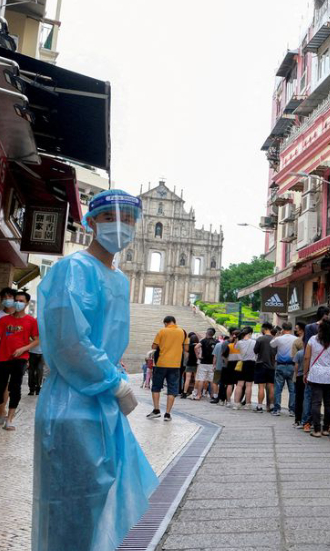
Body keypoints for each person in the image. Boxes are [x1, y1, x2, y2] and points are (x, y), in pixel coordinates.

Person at [34, 189, 157, 551]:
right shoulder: (73, 269)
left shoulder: (119, 278)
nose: (120, 226)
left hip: (103, 406)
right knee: (68, 504)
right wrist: (113, 382)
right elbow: (69, 339)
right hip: (71, 403)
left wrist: (112, 384)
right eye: (109, 218)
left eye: (129, 219)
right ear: (90, 222)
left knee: (100, 500)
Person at [0, 291, 40, 430]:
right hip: (3, 357)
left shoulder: (31, 321)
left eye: (21, 301)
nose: (18, 303)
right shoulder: (4, 320)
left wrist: (24, 349)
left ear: (27, 303)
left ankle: (10, 419)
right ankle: (2, 413)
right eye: (16, 300)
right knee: (1, 386)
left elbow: (37, 340)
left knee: (15, 387)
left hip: (20, 359)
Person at [148, 315, 189, 421]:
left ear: (166, 323)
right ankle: (167, 414)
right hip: (175, 365)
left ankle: (156, 410)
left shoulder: (162, 331)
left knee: (156, 387)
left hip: (161, 363)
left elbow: (154, 347)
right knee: (172, 389)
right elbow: (186, 348)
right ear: (174, 322)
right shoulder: (183, 332)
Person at [304, 317, 330, 437]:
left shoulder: (313, 339)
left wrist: (305, 372)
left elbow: (307, 357)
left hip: (316, 375)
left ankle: (317, 430)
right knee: (329, 403)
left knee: (316, 402)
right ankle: (326, 429)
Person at [271, 321, 297, 416]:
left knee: (278, 388)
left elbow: (271, 344)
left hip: (280, 365)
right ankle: (292, 410)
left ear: (282, 329)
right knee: (292, 389)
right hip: (292, 366)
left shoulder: (279, 339)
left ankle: (277, 409)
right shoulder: (296, 339)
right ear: (291, 328)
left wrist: (278, 335)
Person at [0, 286, 17, 422]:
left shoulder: (19, 317)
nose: (7, 299)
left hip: (13, 356)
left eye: (10, 297)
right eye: (4, 297)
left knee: (6, 385)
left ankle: (2, 410)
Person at [233, 326, 257, 410]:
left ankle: (236, 403)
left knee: (239, 384)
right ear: (250, 333)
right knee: (249, 385)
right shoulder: (254, 342)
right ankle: (248, 404)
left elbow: (235, 349)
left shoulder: (239, 342)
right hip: (251, 364)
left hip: (241, 363)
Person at [254, 322, 276, 412]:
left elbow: (255, 351)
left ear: (264, 329)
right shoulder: (275, 339)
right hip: (272, 366)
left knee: (261, 387)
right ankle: (272, 405)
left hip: (261, 365)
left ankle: (259, 406)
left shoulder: (260, 339)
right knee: (271, 387)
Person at [195, 328, 216, 401]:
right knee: (212, 380)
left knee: (201, 379)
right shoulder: (216, 341)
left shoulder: (203, 341)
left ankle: (199, 395)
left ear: (207, 333)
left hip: (203, 362)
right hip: (212, 363)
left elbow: (196, 347)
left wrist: (198, 356)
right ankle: (212, 395)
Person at [292, 322, 306, 427]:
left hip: (300, 376)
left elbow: (295, 363)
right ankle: (307, 420)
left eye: (297, 328)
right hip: (311, 376)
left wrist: (296, 375)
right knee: (309, 398)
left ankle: (298, 419)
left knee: (299, 398)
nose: (296, 330)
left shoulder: (297, 344)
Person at [224, 329, 241, 405]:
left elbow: (224, 356)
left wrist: (227, 362)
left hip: (230, 365)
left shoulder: (229, 346)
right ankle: (237, 401)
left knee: (229, 384)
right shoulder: (242, 346)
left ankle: (228, 401)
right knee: (239, 385)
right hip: (239, 365)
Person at [182, 331, 200, 399]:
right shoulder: (199, 346)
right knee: (196, 379)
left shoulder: (189, 346)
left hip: (189, 363)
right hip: (196, 364)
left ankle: (184, 393)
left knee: (187, 379)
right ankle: (195, 392)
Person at [210, 335, 226, 403]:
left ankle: (215, 396)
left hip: (218, 367)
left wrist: (214, 365)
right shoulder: (231, 345)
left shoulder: (218, 345)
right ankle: (225, 398)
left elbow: (215, 357)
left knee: (215, 382)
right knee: (226, 383)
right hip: (227, 367)